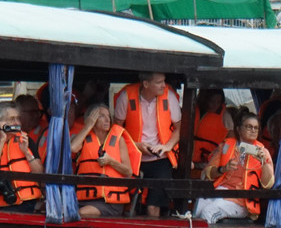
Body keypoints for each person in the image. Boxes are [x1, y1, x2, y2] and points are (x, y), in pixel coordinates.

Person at [114, 72, 181, 218]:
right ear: (146, 84)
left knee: (153, 206)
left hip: (161, 159)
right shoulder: (126, 96)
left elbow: (179, 128)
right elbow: (116, 129)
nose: (164, 85)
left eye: (164, 81)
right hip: (133, 158)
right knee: (130, 204)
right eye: (159, 82)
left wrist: (168, 146)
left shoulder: (169, 97)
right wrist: (135, 145)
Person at [197, 112, 274, 223]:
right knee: (198, 208)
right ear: (238, 129)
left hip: (241, 201)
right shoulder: (226, 146)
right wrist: (223, 169)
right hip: (220, 191)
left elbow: (268, 184)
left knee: (208, 212)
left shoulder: (263, 152)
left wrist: (264, 162)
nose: (253, 130)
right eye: (249, 127)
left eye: (256, 128)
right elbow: (207, 173)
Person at [71, 103, 136, 218]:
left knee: (81, 213)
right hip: (85, 198)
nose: (107, 120)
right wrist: (87, 126)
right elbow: (73, 147)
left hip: (110, 202)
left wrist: (110, 161)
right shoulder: (84, 138)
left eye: (108, 116)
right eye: (101, 116)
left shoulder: (118, 140)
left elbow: (128, 172)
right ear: (92, 119)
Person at [0, 103, 44, 211]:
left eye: (17, 119)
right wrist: (2, 140)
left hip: (28, 202)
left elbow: (39, 172)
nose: (16, 122)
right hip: (0, 204)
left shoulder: (26, 139)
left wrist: (27, 152)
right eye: (11, 119)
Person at [191, 89, 234, 169]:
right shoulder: (192, 109)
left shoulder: (225, 115)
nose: (215, 105)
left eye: (218, 102)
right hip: (188, 159)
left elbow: (232, 141)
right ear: (204, 100)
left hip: (209, 163)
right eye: (212, 101)